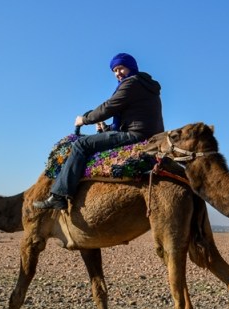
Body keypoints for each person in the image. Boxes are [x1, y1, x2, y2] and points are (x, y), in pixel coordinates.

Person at [34, 53, 163, 210]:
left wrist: (85, 119)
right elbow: (133, 116)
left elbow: (109, 107)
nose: (118, 73)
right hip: (147, 133)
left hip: (137, 135)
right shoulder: (145, 85)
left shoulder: (132, 83)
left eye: (120, 68)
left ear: (131, 67)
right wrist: (107, 129)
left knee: (81, 145)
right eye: (114, 70)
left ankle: (59, 195)